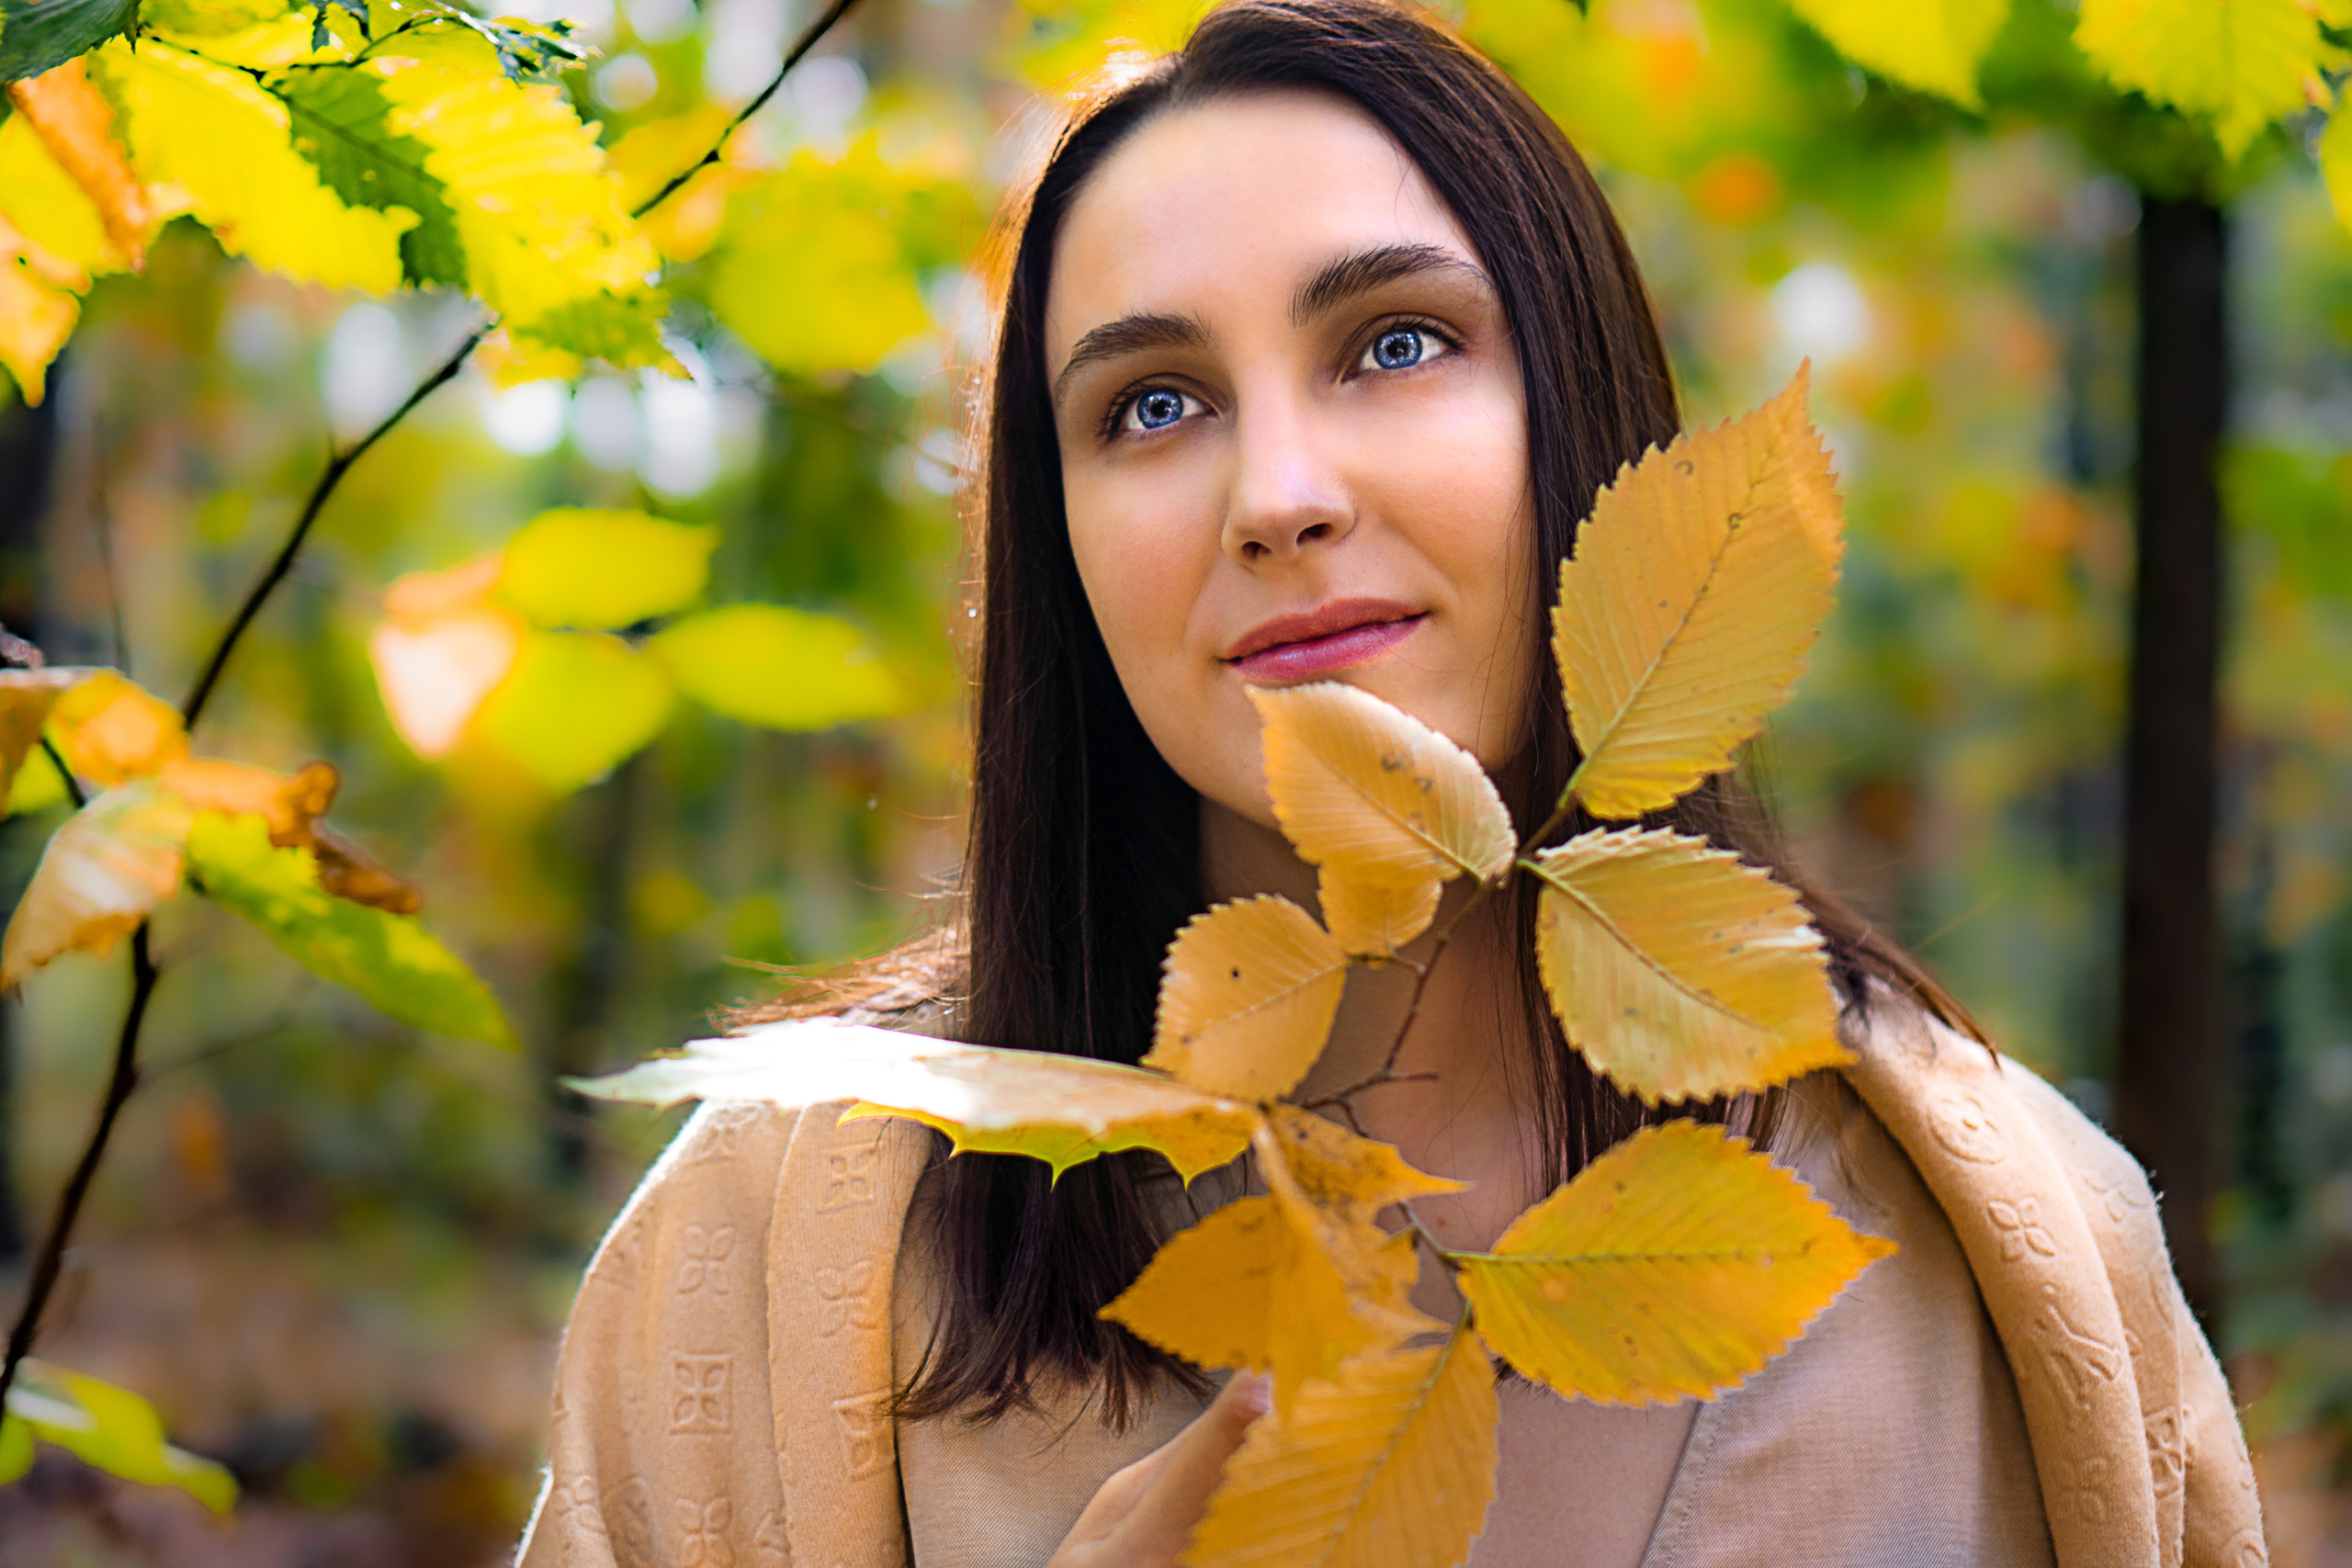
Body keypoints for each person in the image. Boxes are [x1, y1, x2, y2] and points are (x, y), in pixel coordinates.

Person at [516, 3, 2267, 1564]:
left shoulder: (2023, 1267)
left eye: (1397, 344)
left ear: (1585, 419)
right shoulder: (763, 1257)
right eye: (1149, 405)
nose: (1278, 490)